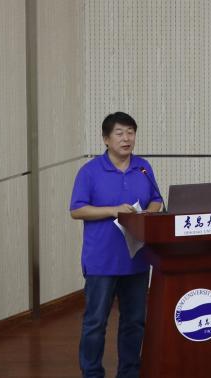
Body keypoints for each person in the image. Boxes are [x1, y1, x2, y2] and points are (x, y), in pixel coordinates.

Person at [70, 112, 163, 378]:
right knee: (95, 323)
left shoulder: (143, 167)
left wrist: (148, 214)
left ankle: (129, 372)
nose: (126, 138)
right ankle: (91, 373)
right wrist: (113, 210)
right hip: (102, 260)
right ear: (106, 139)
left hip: (136, 259)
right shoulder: (90, 171)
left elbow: (156, 199)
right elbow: (77, 210)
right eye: (120, 133)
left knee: (134, 322)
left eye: (131, 132)